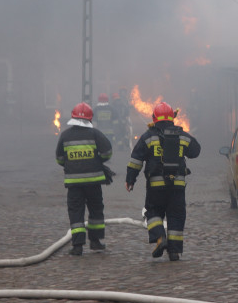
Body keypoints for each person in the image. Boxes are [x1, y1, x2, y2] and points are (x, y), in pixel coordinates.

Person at [125, 101, 201, 262]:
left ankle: (160, 238)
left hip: (155, 186)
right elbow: (196, 151)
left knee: (152, 212)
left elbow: (136, 160)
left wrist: (130, 180)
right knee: (176, 216)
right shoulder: (182, 136)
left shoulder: (148, 137)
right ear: (172, 118)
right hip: (177, 186)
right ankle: (174, 252)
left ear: (154, 118)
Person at [55, 101, 113, 255]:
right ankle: (95, 242)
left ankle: (77, 246)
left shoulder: (65, 135)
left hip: (73, 183)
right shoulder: (95, 134)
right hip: (94, 182)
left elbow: (60, 158)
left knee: (76, 212)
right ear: (89, 119)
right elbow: (107, 152)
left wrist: (72, 165)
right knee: (95, 210)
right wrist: (97, 161)